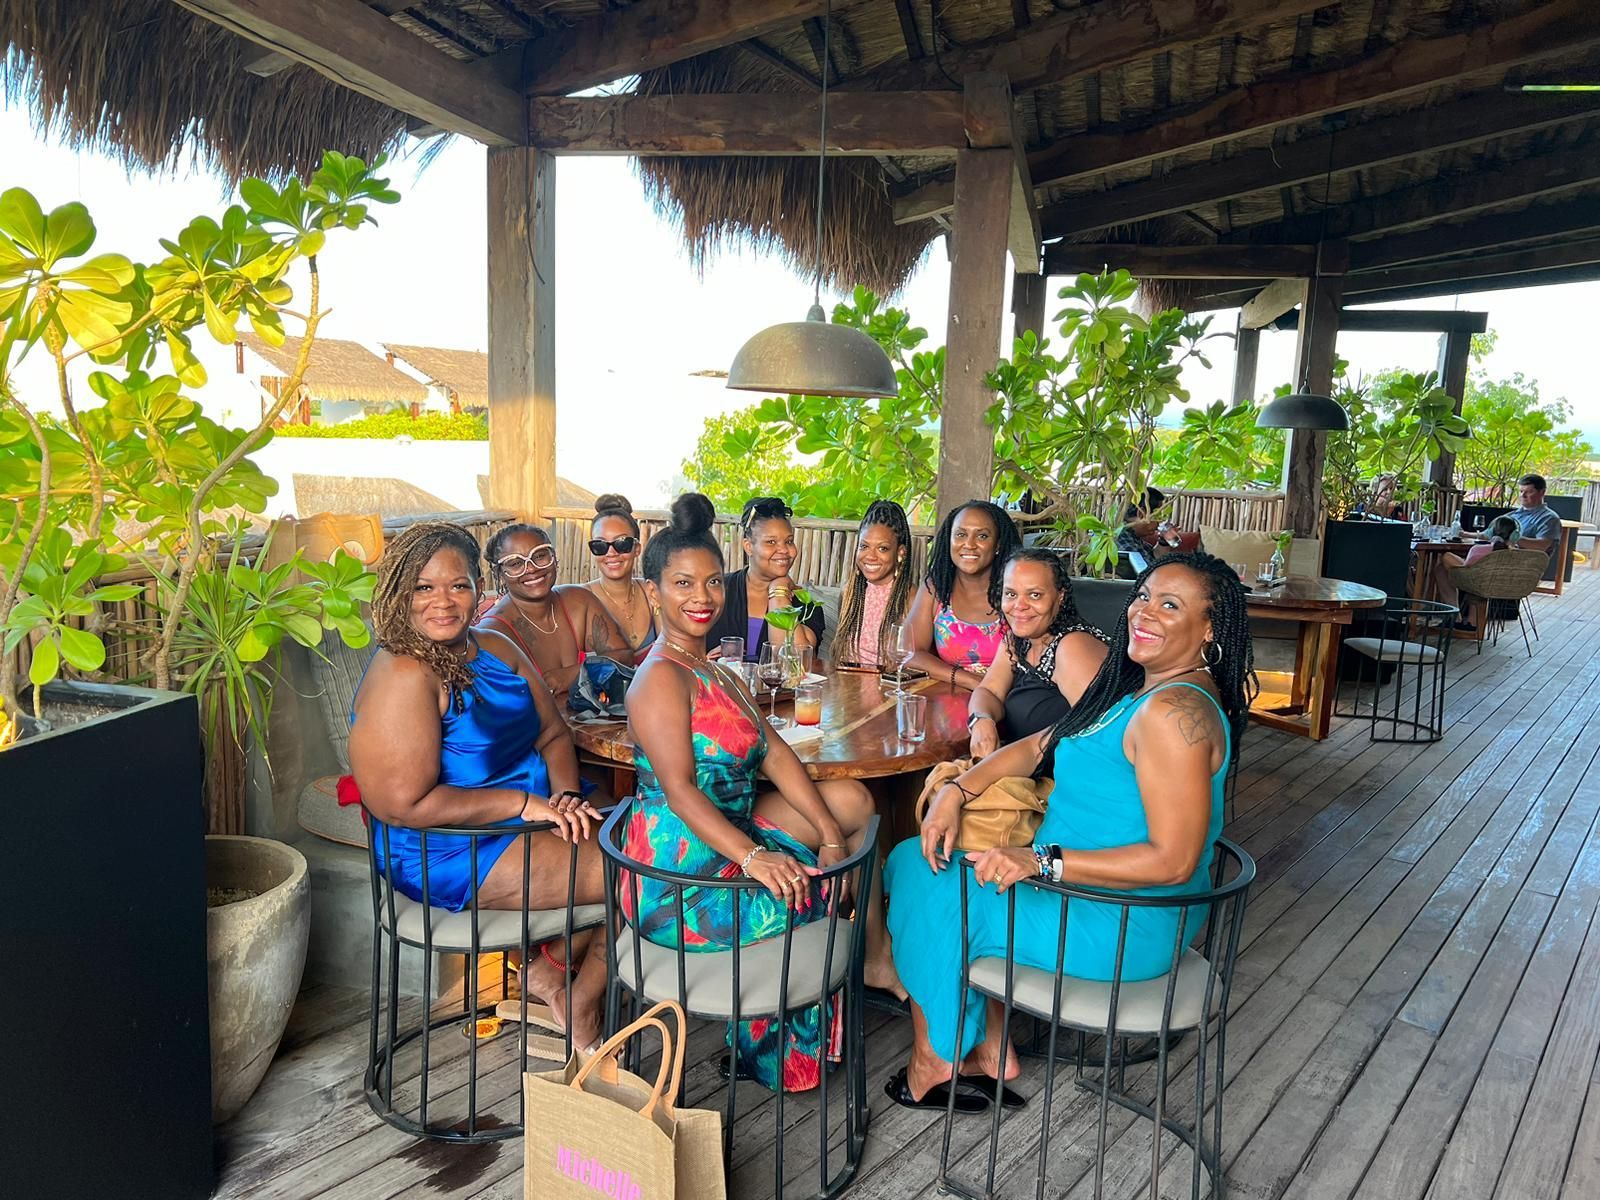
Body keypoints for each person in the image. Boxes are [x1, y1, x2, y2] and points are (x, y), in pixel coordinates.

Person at [882, 552, 1254, 1113]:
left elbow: (1174, 860)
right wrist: (958, 793)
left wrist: (1042, 861)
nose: (1144, 612)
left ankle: (939, 1055)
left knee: (918, 870)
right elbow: (1038, 745)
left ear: (1209, 631)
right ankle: (987, 1046)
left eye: (1170, 605)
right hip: (1085, 893)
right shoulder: (1138, 692)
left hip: (1118, 917)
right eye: (1145, 596)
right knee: (925, 858)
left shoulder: (1175, 713)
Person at [624, 494, 894, 1090]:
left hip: (732, 827)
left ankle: (843, 981)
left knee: (844, 820)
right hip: (680, 872)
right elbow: (679, 791)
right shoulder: (660, 677)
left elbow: (774, 749)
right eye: (683, 584)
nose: (702, 597)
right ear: (654, 592)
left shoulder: (715, 667)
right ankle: (770, 1055)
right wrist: (755, 857)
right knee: (808, 891)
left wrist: (826, 835)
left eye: (713, 582)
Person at [347, 521, 608, 1051]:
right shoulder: (405, 673)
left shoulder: (496, 646)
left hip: (536, 816)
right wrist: (525, 804)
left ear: (479, 589)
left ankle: (552, 968)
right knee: (645, 870)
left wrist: (565, 795)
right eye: (424, 587)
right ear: (399, 592)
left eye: (458, 585)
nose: (442, 601)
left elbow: (555, 732)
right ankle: (579, 994)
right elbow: (404, 805)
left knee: (655, 834)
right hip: (448, 844)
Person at [966, 550, 1109, 757]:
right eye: (1011, 594)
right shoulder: (1017, 641)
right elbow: (989, 691)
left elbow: (1099, 736)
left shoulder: (1072, 646)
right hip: (1023, 767)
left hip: (1063, 781)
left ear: (1060, 597)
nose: (1019, 606)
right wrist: (981, 720)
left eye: (1035, 595)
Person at [477, 523, 628, 695]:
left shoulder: (579, 600)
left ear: (554, 558)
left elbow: (624, 657)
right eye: (515, 563)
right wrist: (594, 670)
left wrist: (571, 674)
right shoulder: (492, 632)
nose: (532, 568)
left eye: (540, 556)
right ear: (499, 574)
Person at [904, 501, 1023, 691]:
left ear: (998, 544)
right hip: (947, 703)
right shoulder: (937, 588)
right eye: (961, 534)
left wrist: (987, 689)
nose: (969, 544)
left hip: (1009, 705)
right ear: (949, 540)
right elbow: (909, 654)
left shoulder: (1016, 591)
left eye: (982, 536)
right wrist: (970, 680)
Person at [704, 496, 824, 662]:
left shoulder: (805, 605)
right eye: (771, 542)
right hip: (718, 686)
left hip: (777, 689)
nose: (783, 549)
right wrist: (704, 660)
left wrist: (779, 592)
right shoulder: (717, 591)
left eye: (789, 541)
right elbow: (680, 650)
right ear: (748, 546)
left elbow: (797, 663)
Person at [832, 500, 916, 670]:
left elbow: (914, 659)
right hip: (848, 682)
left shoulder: (911, 597)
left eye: (882, 548)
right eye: (864, 546)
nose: (870, 556)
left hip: (889, 685)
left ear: (900, 553)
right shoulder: (849, 592)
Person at [580, 493, 655, 662]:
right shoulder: (579, 598)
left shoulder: (651, 592)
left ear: (637, 548)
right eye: (599, 545)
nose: (611, 553)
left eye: (622, 543)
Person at [1431, 515, 1520, 619]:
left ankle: (1455, 617)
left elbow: (1467, 566)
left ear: (1491, 532)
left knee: (1446, 556)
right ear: (1515, 536)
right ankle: (1458, 618)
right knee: (1440, 569)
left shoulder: (1479, 550)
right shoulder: (1518, 555)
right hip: (1507, 585)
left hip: (1477, 582)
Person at [1113, 487, 1199, 575]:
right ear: (1141, 514)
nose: (1160, 522)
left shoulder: (1133, 536)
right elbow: (1150, 573)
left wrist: (1163, 542)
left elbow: (1154, 557)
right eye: (1158, 516)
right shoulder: (1120, 538)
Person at [1496, 473, 1563, 570]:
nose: (1523, 495)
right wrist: (1466, 534)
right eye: (1521, 491)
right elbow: (1488, 533)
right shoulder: (1511, 515)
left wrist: (1511, 537)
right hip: (1500, 559)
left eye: (1529, 491)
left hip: (1523, 567)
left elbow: (1542, 546)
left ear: (1542, 492)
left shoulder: (1549, 518)